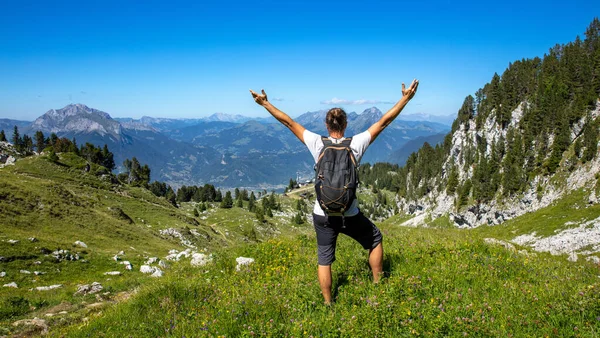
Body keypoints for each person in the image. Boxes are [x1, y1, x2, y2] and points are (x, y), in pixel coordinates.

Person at [250, 79, 419, 304]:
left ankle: (328, 304)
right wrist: (405, 98)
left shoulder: (317, 143)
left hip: (322, 213)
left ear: (327, 125)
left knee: (324, 259)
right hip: (349, 212)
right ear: (345, 125)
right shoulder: (356, 143)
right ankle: (379, 286)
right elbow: (384, 121)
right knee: (375, 239)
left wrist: (265, 104)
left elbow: (289, 123)